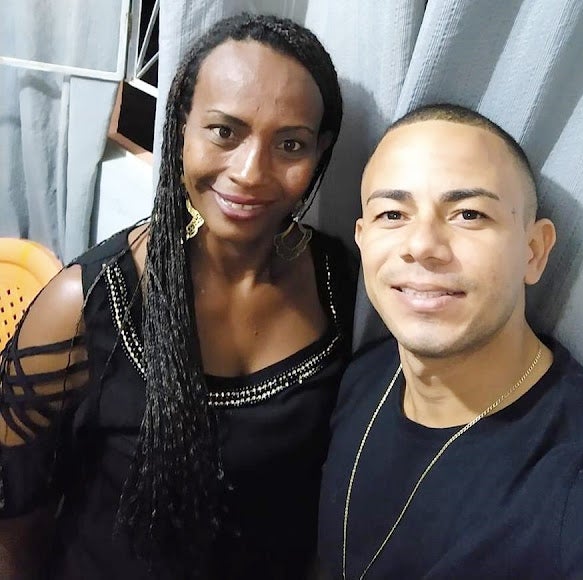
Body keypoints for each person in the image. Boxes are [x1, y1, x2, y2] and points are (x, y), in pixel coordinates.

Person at [0, 13, 358, 579]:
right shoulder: (84, 305)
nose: (251, 172)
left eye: (290, 144)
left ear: (321, 151)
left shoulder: (339, 282)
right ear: (181, 127)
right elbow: (15, 520)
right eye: (224, 132)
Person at [317, 103, 583, 579]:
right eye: (392, 214)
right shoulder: (366, 374)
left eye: (468, 214)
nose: (422, 245)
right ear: (362, 240)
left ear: (533, 252)